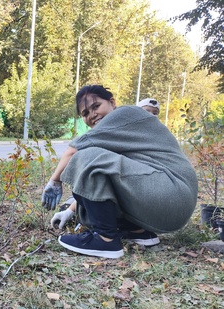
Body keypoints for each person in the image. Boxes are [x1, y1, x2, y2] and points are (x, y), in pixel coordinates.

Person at [43, 85, 198, 259]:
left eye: (96, 106)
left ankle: (105, 240)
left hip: (172, 190)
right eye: (85, 113)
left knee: (86, 157)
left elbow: (74, 152)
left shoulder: (124, 114)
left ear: (112, 102)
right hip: (174, 200)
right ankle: (137, 231)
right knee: (90, 200)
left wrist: (54, 181)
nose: (92, 115)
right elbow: (101, 185)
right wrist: (70, 211)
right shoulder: (117, 134)